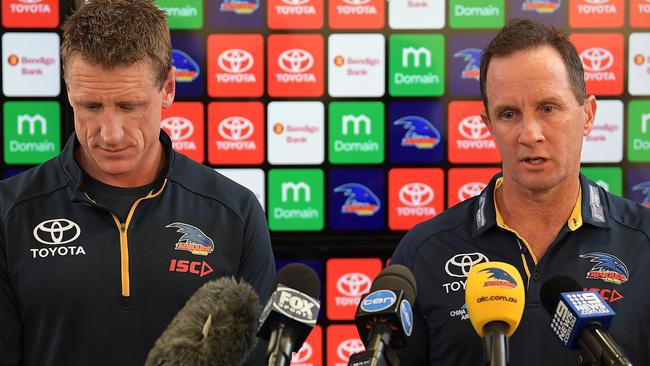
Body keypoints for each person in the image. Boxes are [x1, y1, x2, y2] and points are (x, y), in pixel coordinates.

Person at [0, 1, 275, 365]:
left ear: (169, 90)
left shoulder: (234, 213)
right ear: (69, 93)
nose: (110, 134)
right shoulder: (9, 212)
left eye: (129, 106)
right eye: (91, 106)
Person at [391, 19, 650, 365]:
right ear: (488, 125)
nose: (530, 134)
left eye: (547, 108)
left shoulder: (644, 242)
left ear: (587, 115)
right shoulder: (424, 250)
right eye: (509, 113)